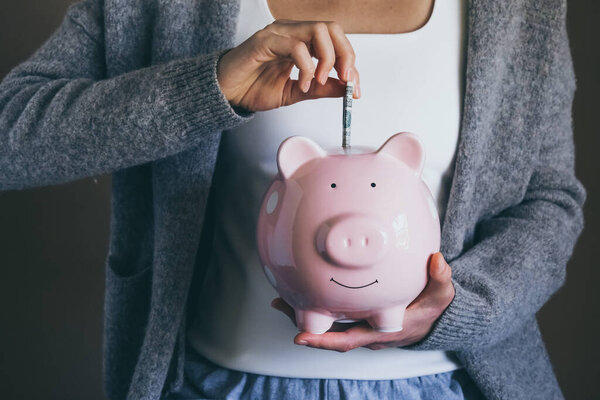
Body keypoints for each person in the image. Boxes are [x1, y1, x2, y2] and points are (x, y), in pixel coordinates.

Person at [0, 0, 585, 399]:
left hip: (445, 381)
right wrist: (212, 87)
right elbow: (12, 136)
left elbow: (550, 200)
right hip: (216, 380)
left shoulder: (519, 10)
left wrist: (459, 308)